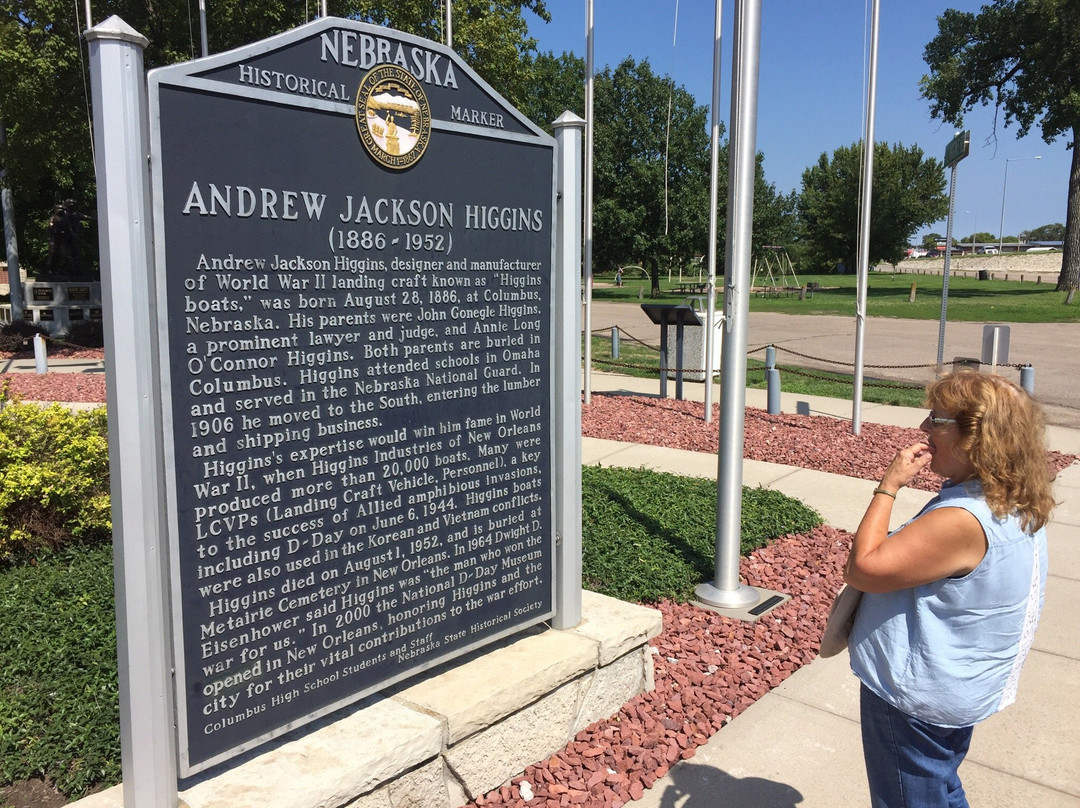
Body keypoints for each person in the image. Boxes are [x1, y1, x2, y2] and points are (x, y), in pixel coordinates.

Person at [844, 370, 1054, 808]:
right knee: (938, 786)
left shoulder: (963, 518)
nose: (922, 429)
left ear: (974, 436)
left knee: (909, 797)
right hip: (959, 685)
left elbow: (864, 568)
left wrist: (889, 486)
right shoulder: (1010, 497)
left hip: (916, 699)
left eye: (936, 419)